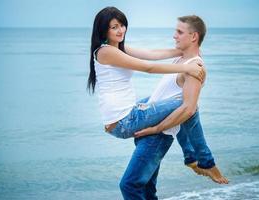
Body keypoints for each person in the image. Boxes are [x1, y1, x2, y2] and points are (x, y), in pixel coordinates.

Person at [88, 7, 205, 199]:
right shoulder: (105, 51)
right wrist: (187, 67)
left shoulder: (119, 48)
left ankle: (192, 156)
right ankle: (195, 157)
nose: (120, 30)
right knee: (187, 103)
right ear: (103, 30)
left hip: (127, 114)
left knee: (166, 101)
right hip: (126, 120)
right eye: (114, 27)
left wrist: (183, 51)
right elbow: (148, 67)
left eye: (122, 25)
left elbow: (151, 54)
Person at [134, 15, 229, 184]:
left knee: (130, 185)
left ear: (194, 36)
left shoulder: (195, 67)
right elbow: (151, 54)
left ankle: (205, 161)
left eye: (179, 32)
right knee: (145, 188)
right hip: (154, 129)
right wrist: (117, 47)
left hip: (159, 134)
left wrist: (156, 128)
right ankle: (194, 158)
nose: (174, 35)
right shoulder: (181, 58)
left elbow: (188, 110)